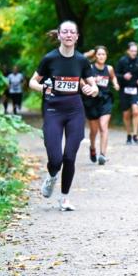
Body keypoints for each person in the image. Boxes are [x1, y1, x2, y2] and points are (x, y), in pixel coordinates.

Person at [28, 21, 98, 211]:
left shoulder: (81, 61)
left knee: (69, 157)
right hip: (53, 111)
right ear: (59, 35)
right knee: (56, 158)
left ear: (76, 37)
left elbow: (94, 86)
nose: (68, 35)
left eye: (72, 32)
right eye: (65, 32)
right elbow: (32, 82)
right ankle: (51, 177)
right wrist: (43, 87)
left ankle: (65, 198)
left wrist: (92, 89)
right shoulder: (49, 59)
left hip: (75, 111)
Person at [82, 46, 118, 165]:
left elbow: (113, 77)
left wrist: (116, 84)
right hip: (91, 100)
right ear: (95, 56)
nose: (101, 56)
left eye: (103, 54)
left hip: (105, 99)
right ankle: (92, 148)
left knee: (103, 126)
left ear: (106, 56)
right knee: (94, 130)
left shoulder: (109, 68)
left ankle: (102, 155)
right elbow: (79, 65)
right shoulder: (90, 68)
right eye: (99, 54)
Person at [115, 42, 138, 144]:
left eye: (136, 51)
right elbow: (115, 74)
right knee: (126, 114)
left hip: (135, 89)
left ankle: (135, 135)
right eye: (132, 51)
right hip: (124, 90)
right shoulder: (122, 61)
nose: (134, 53)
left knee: (136, 111)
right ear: (128, 51)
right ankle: (129, 135)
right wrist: (123, 76)